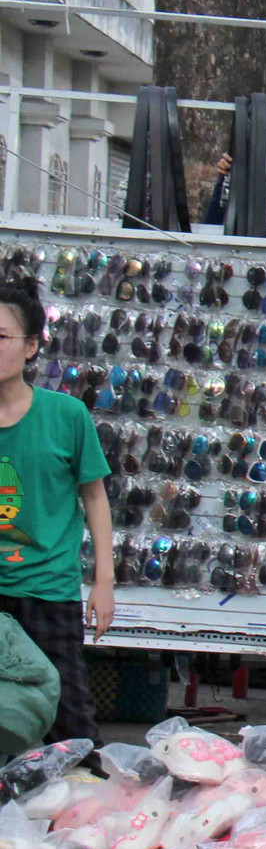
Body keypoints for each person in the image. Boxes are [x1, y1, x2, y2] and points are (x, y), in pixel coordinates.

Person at [0, 280, 114, 743]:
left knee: (70, 730)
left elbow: (95, 499)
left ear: (30, 347)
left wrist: (103, 583)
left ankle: (78, 807)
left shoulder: (66, 416)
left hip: (47, 592)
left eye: (0, 337)